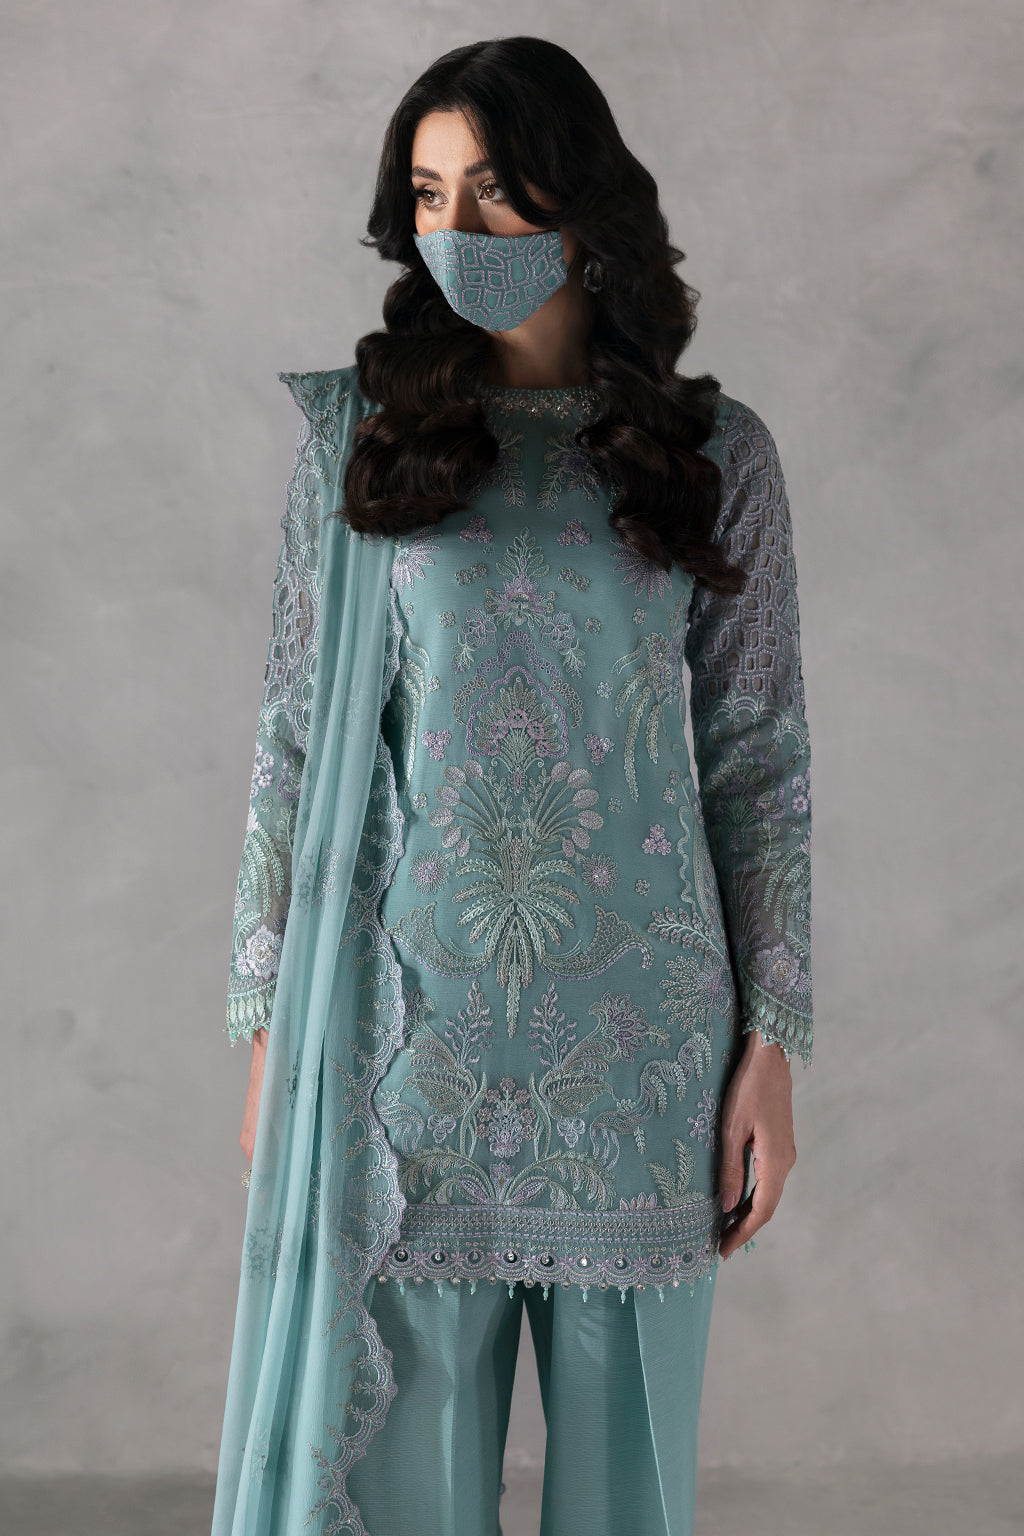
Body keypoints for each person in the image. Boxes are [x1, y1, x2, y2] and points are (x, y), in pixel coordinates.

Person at [211, 34, 812, 1536]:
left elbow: (760, 762)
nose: (458, 227)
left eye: (492, 186)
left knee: (628, 1501)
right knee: (404, 1500)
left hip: (643, 1056)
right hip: (407, 1051)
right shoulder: (369, 446)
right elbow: (293, 746)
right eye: (428, 195)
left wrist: (774, 1043)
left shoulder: (712, 455)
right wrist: (270, 1023)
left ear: (579, 191)